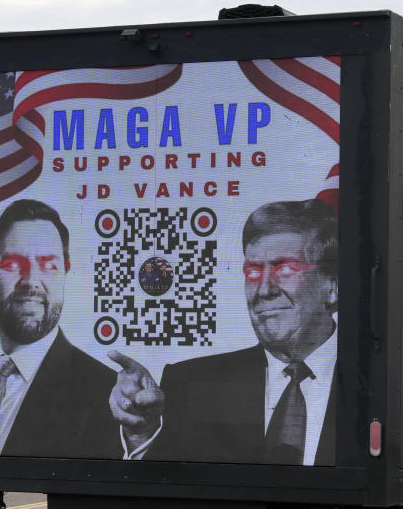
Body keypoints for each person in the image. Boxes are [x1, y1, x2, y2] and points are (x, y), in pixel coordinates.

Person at [111, 199, 338, 465]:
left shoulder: (378, 383)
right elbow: (164, 494)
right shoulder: (189, 384)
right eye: (253, 272)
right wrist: (142, 434)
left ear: (332, 287)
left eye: (285, 269)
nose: (264, 290)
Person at [0, 198, 120, 458]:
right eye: (11, 264)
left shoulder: (104, 393)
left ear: (66, 272)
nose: (31, 281)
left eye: (49, 264)